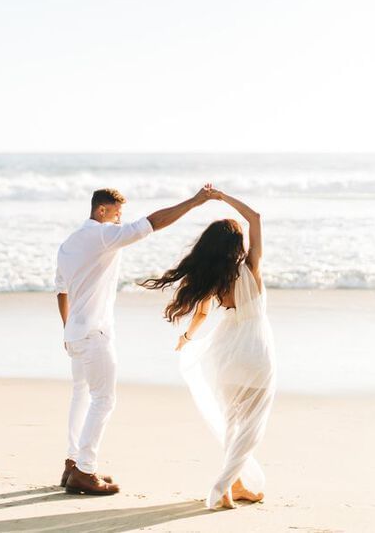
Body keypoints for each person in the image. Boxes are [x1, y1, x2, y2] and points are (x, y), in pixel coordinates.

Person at [55, 183, 215, 495]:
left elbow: (61, 292)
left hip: (74, 334)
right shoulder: (103, 235)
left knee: (81, 395)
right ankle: (85, 472)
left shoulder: (68, 244)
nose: (119, 221)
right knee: (104, 400)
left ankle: (72, 464)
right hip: (93, 334)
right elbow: (153, 223)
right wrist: (195, 202)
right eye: (117, 214)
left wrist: (68, 328)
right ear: (102, 211)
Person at [140, 188, 276, 510]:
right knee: (252, 424)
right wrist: (223, 197)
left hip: (227, 354)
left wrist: (186, 338)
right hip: (256, 352)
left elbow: (201, 313)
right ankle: (223, 484)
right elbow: (255, 217)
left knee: (232, 421)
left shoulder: (215, 278)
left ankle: (234, 486)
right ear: (237, 244)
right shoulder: (250, 268)